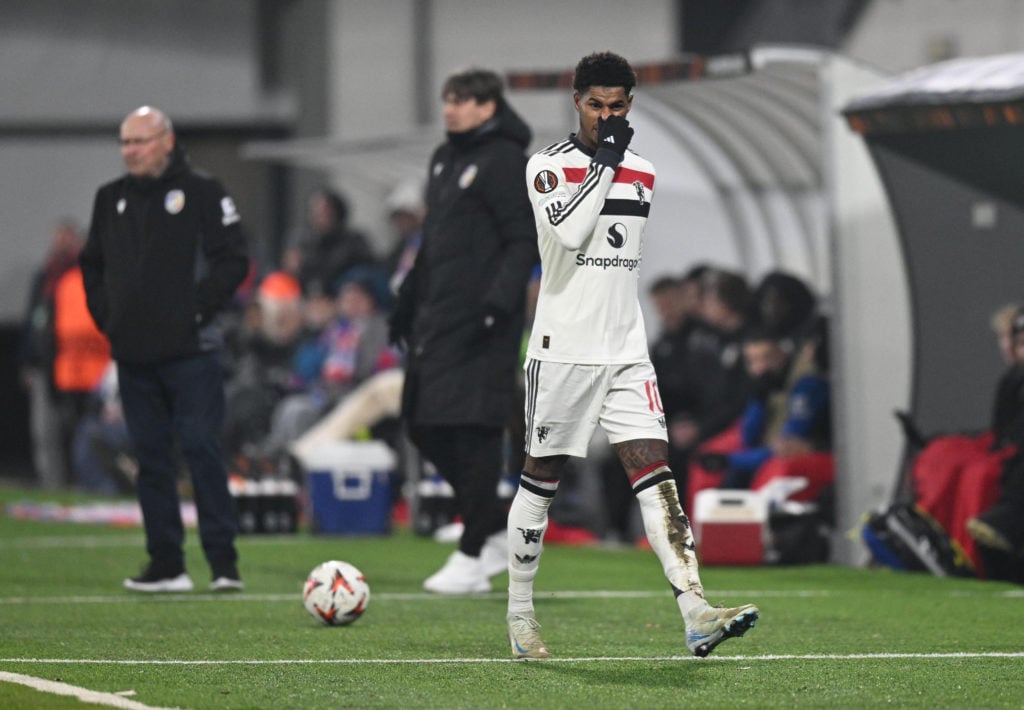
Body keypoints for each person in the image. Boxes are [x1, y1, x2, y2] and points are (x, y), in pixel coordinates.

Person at [505, 51, 758, 660]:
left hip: (625, 350)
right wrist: (606, 163)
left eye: (617, 106)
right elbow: (568, 236)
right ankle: (519, 617)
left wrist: (618, 164)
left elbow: (618, 259)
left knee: (655, 473)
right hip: (562, 349)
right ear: (577, 103)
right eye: (596, 105)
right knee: (543, 478)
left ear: (630, 105)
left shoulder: (643, 171)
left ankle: (696, 610)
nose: (606, 116)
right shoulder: (546, 166)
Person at [79, 106, 249, 592]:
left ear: (167, 141)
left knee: (201, 447)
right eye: (125, 143)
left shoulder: (202, 192)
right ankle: (167, 563)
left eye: (140, 141)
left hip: (193, 349)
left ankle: (223, 564)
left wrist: (196, 310)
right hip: (134, 352)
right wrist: (108, 318)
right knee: (149, 457)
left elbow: (234, 259)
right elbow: (91, 265)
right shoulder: (109, 199)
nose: (131, 151)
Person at [389, 68, 538, 594]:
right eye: (448, 98)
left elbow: (523, 241)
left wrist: (499, 305)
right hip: (439, 318)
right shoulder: (444, 158)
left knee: (474, 431)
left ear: (489, 106)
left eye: (464, 100)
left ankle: (474, 553)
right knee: (420, 422)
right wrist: (406, 300)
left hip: (484, 323)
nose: (451, 108)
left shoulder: (504, 162)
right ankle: (492, 520)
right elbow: (433, 243)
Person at [282, 187, 376, 298]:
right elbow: (292, 269)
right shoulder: (303, 239)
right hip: (307, 297)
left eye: (324, 212)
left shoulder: (354, 241)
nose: (318, 217)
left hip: (342, 300)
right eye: (315, 212)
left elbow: (366, 271)